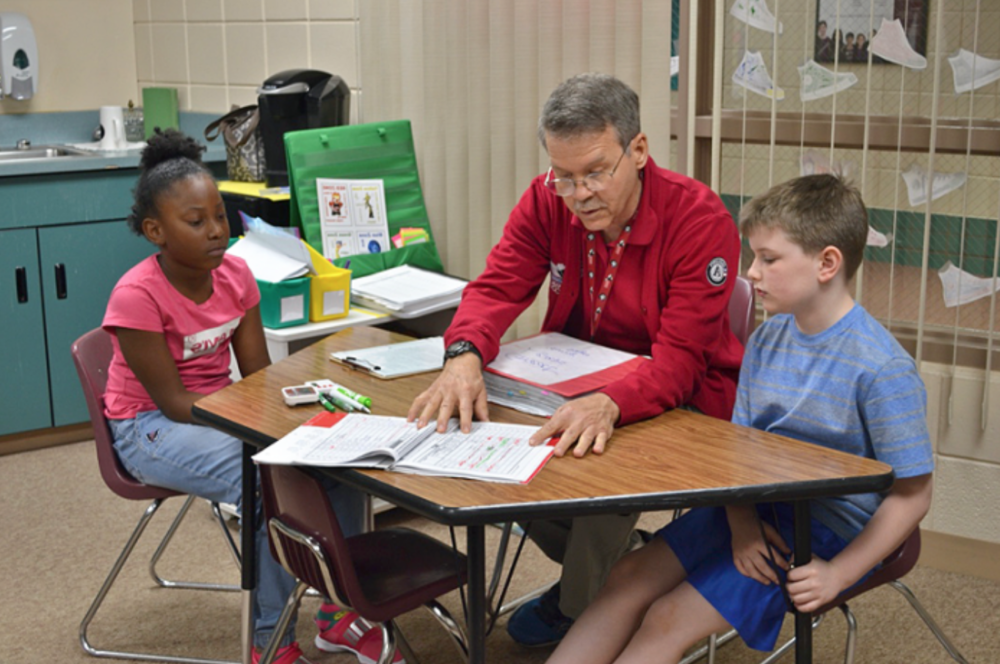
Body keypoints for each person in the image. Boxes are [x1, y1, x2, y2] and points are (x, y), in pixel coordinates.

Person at [407, 73, 743, 646]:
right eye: (563, 176)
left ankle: (586, 606)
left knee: (598, 486)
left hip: (680, 403)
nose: (579, 193)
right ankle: (626, 573)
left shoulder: (698, 220)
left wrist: (612, 403)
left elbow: (681, 362)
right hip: (568, 385)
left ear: (638, 151)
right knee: (496, 460)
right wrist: (462, 355)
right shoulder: (547, 200)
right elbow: (495, 288)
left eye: (595, 172)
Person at [545, 173, 935, 664]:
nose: (750, 273)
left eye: (768, 260)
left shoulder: (882, 368)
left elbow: (913, 495)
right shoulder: (768, 340)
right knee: (625, 578)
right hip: (755, 505)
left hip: (825, 530)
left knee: (667, 618)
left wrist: (838, 573)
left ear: (827, 263)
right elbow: (740, 450)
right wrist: (743, 525)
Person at [102, 129, 398, 664]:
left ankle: (339, 613)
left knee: (340, 463)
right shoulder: (137, 296)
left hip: (221, 408)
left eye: (220, 216)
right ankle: (269, 640)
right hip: (148, 428)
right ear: (155, 231)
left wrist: (306, 416)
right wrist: (261, 432)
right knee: (266, 485)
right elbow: (171, 402)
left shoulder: (237, 273)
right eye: (196, 222)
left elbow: (259, 372)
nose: (216, 231)